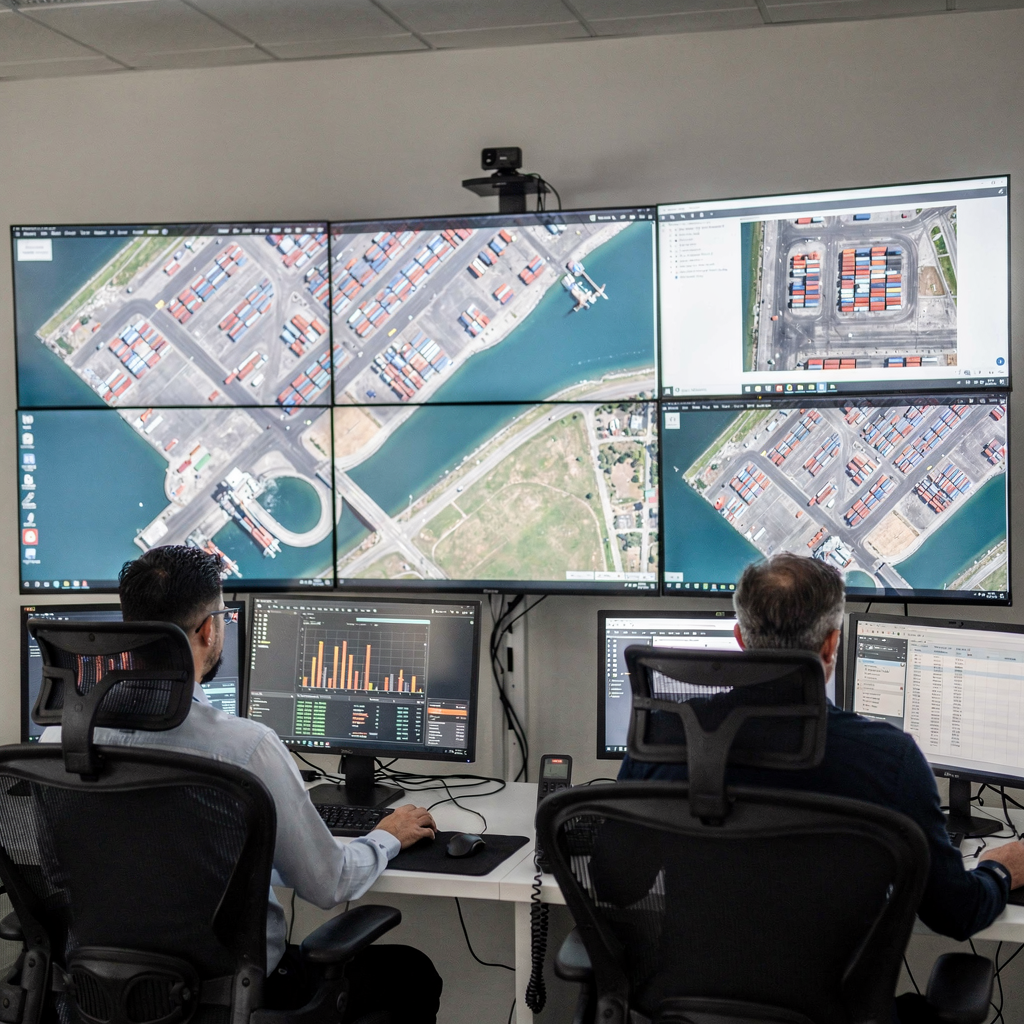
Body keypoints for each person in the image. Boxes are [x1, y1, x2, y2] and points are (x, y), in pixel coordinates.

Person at [42, 545, 442, 1023]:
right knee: (411, 973)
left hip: (98, 996)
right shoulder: (244, 748)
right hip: (230, 999)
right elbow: (329, 882)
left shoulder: (58, 742)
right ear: (210, 628)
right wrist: (386, 836)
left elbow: (61, 872)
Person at [619, 552, 1024, 941]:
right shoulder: (888, 759)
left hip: (687, 1001)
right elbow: (955, 913)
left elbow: (616, 883)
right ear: (832, 644)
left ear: (740, 638)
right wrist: (999, 870)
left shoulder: (663, 735)